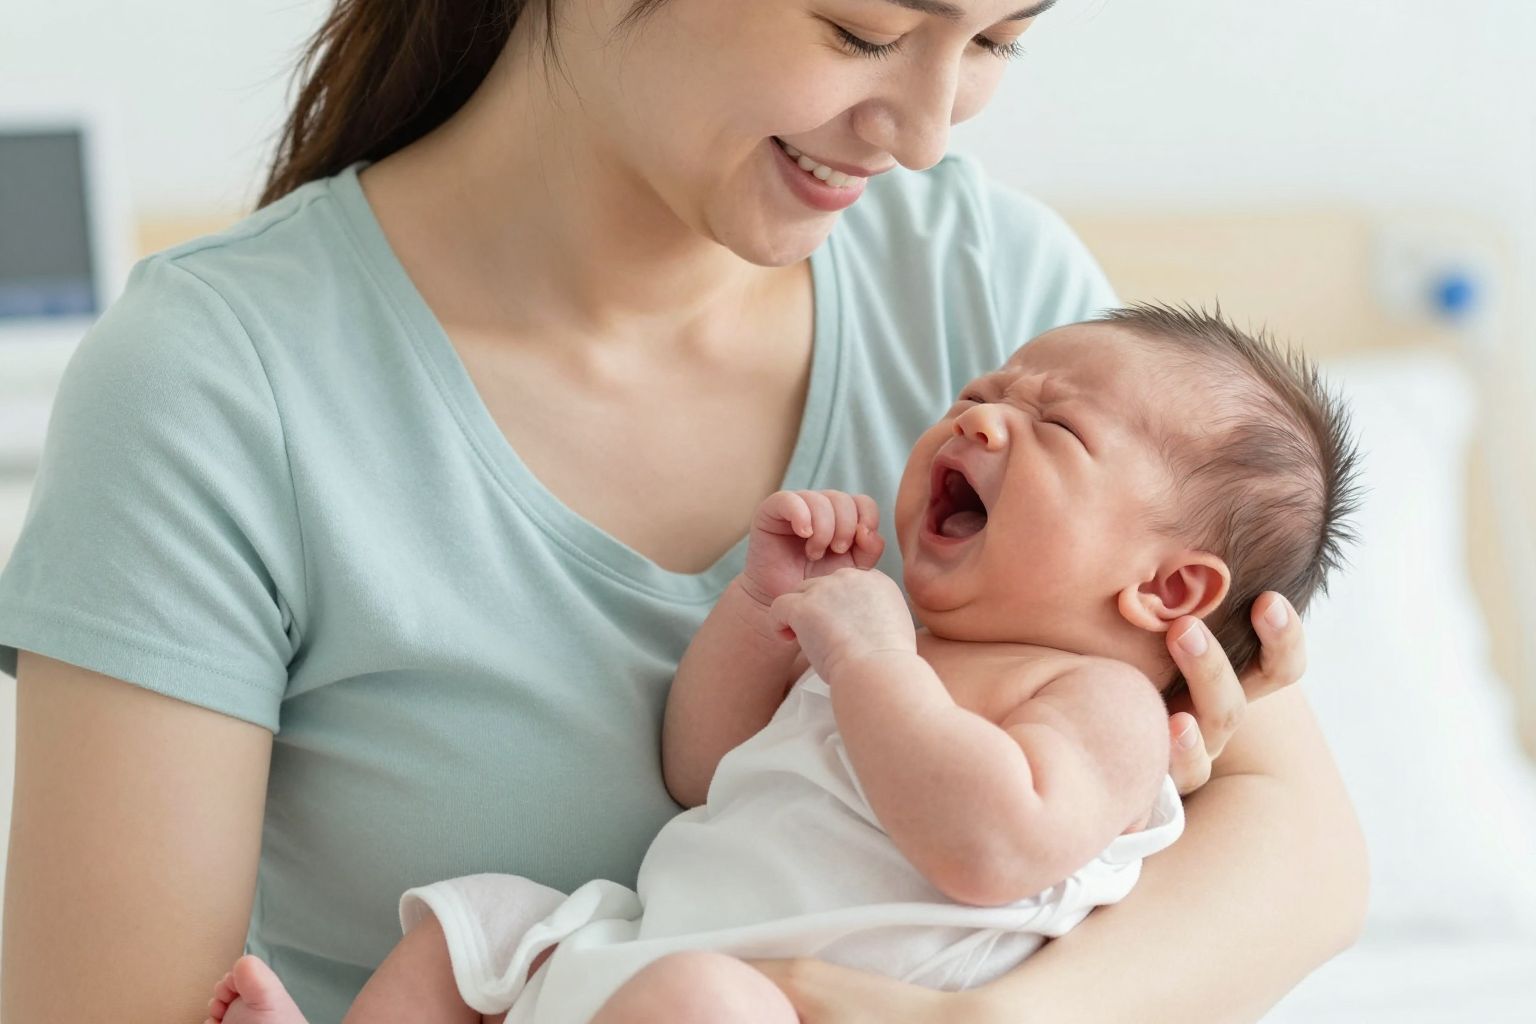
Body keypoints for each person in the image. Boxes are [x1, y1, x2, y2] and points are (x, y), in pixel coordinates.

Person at [0, 2, 1367, 1022]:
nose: (927, 129)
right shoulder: (221, 380)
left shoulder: (1003, 292)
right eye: (861, 28)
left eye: (999, 38)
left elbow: (1298, 844)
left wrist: (986, 1018)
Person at [197, 307, 1360, 1024]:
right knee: (459, 938)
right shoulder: (894, 631)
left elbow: (986, 845)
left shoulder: (1098, 704)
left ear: (1168, 592)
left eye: (1053, 429)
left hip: (776, 1003)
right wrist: (769, 611)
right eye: (980, 394)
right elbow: (704, 764)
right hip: (635, 954)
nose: (980, 421)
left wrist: (869, 657)